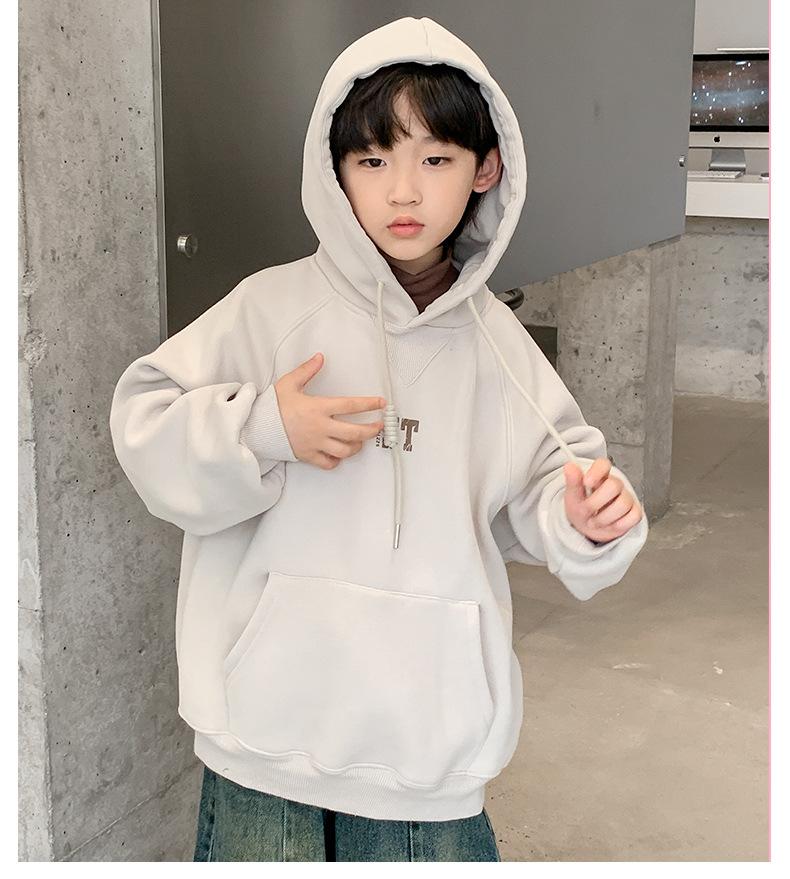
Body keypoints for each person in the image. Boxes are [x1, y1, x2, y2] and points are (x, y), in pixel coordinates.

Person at [109, 16, 649, 862]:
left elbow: (551, 477)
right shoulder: (272, 308)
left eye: (435, 160)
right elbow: (144, 421)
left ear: (485, 168)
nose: (403, 192)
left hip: (427, 743)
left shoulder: (497, 345)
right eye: (372, 160)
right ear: (335, 174)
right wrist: (262, 428)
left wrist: (582, 516)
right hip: (266, 729)